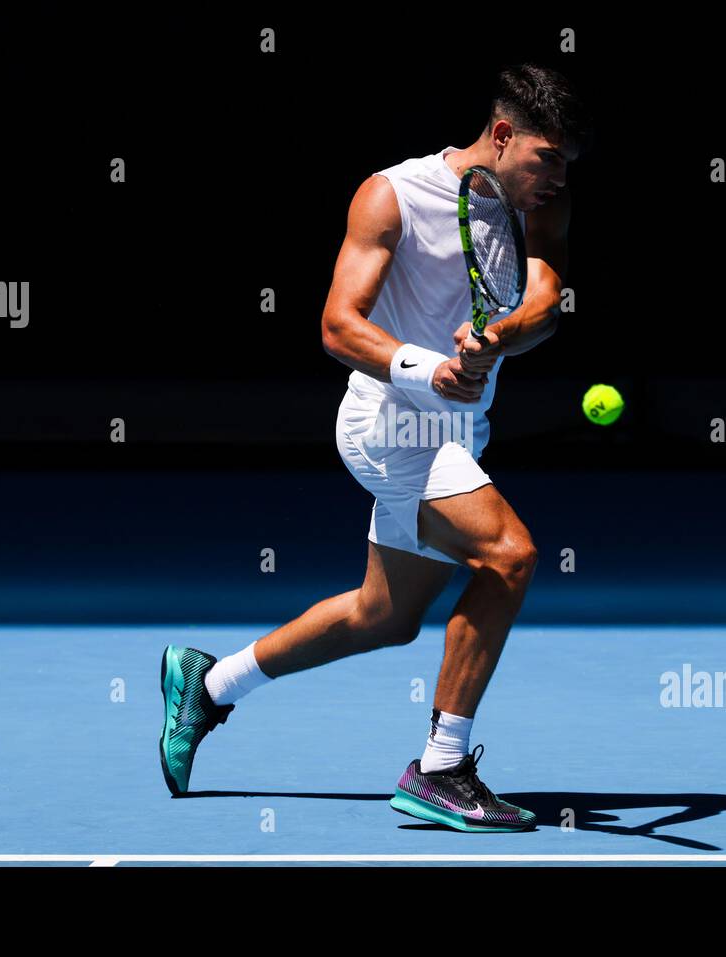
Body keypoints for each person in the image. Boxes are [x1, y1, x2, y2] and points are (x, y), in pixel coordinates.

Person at [160, 63, 590, 832]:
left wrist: (497, 334)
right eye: (545, 158)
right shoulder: (390, 193)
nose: (555, 178)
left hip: (461, 430)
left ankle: (209, 683)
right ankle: (441, 766)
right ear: (500, 134)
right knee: (511, 555)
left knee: (382, 615)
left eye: (567, 164)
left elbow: (546, 303)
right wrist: (431, 367)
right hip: (392, 426)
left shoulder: (538, 200)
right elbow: (337, 325)